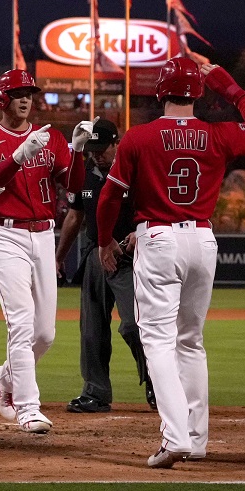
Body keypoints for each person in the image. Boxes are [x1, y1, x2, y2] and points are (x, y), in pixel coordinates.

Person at [95, 58, 245, 468]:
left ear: (161, 91)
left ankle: (174, 438)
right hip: (202, 239)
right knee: (190, 340)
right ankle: (195, 439)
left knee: (156, 341)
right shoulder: (219, 135)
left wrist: (105, 242)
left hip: (158, 238)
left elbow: (109, 198)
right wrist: (225, 83)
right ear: (198, 93)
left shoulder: (139, 137)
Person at [0, 69, 88, 434]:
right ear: (2, 98)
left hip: (43, 235)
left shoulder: (49, 138)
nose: (25, 99)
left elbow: (75, 186)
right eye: (18, 93)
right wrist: (19, 155)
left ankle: (6, 377)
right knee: (20, 323)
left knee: (46, 334)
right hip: (5, 235)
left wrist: (78, 151)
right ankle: (28, 407)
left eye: (29, 93)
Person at [55, 117, 153, 413]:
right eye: (92, 149)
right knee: (92, 328)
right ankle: (95, 392)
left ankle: (158, 384)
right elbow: (74, 217)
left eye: (102, 148)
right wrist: (59, 257)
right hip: (94, 256)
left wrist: (140, 231)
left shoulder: (134, 171)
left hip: (127, 256)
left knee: (135, 325)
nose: (97, 154)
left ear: (116, 144)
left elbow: (153, 208)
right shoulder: (84, 174)